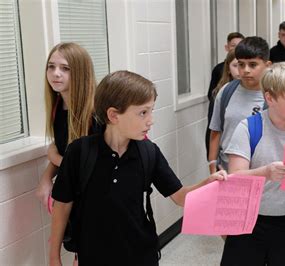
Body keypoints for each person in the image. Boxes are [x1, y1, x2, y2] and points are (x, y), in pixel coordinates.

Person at [49, 71, 227, 266]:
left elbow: (180, 197)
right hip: (93, 255)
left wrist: (208, 183)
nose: (151, 120)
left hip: (141, 254)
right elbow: (62, 205)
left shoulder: (148, 152)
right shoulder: (80, 151)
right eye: (143, 112)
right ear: (113, 115)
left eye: (151, 111)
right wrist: (54, 257)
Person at [221, 62, 285, 266]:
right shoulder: (249, 128)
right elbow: (233, 178)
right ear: (269, 98)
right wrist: (266, 172)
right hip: (248, 223)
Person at [36, 42, 97, 211]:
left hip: (98, 198)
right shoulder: (59, 106)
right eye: (51, 67)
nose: (56, 73)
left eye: (65, 68)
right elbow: (66, 150)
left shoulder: (96, 113)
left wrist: (52, 155)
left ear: (81, 73)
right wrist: (47, 177)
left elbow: (90, 168)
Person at [208, 36, 270, 173]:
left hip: (263, 173)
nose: (246, 70)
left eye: (253, 65)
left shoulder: (275, 95)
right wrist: (212, 164)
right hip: (227, 170)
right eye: (241, 64)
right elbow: (216, 130)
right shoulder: (226, 91)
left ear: (267, 65)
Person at [206, 32, 245, 157]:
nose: (241, 70)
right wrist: (212, 159)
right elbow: (213, 128)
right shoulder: (222, 93)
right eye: (236, 65)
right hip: (225, 155)